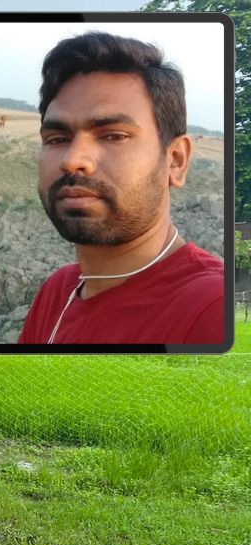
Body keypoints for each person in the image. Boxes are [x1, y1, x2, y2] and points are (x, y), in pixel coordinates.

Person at [17, 32, 223, 345]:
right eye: (57, 139)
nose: (73, 160)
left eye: (113, 136)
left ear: (176, 161)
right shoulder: (58, 292)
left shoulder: (211, 309)